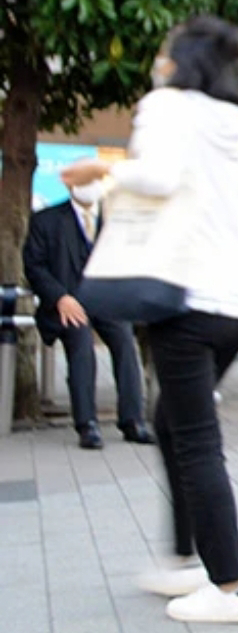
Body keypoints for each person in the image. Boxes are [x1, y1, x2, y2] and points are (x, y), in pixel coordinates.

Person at [62, 15, 238, 624]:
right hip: (233, 306)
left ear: (181, 62)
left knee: (196, 439)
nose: (160, 63)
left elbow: (157, 176)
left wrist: (102, 171)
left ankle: (230, 588)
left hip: (187, 298)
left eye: (165, 54)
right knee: (172, 424)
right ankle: (185, 561)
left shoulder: (168, 106)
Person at [23, 183, 153, 450]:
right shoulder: (47, 220)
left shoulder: (113, 219)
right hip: (68, 302)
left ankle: (133, 420)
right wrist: (60, 297)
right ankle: (87, 424)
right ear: (70, 185)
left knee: (125, 343)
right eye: (83, 182)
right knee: (81, 345)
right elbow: (34, 266)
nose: (89, 188)